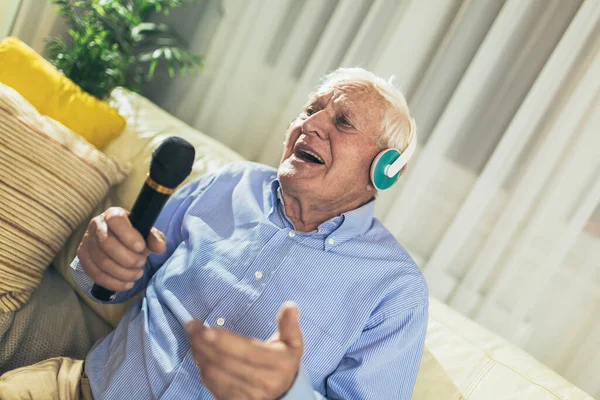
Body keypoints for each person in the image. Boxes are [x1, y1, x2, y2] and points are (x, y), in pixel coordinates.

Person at [0, 67, 428, 399]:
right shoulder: (230, 183)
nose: (312, 125)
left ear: (386, 169)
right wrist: (100, 262)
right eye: (311, 109)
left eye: (343, 121)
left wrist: (286, 393)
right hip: (82, 389)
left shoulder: (395, 289)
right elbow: (117, 275)